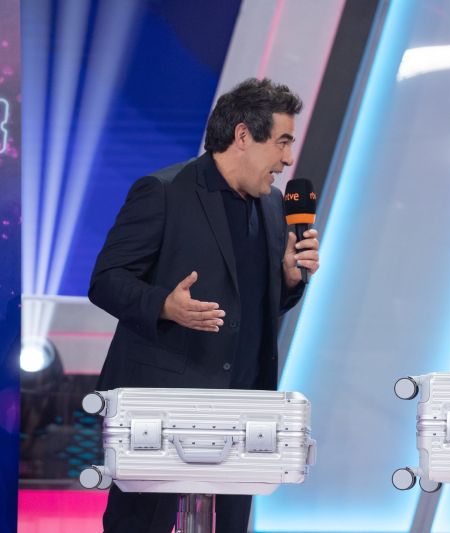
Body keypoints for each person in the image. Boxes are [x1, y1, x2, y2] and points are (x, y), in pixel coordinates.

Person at [89, 78, 320, 533]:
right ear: (242, 135)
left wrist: (290, 281)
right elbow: (106, 281)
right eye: (282, 141)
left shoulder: (273, 206)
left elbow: (254, 308)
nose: (288, 159)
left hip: (243, 413)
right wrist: (164, 305)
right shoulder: (163, 191)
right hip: (162, 411)